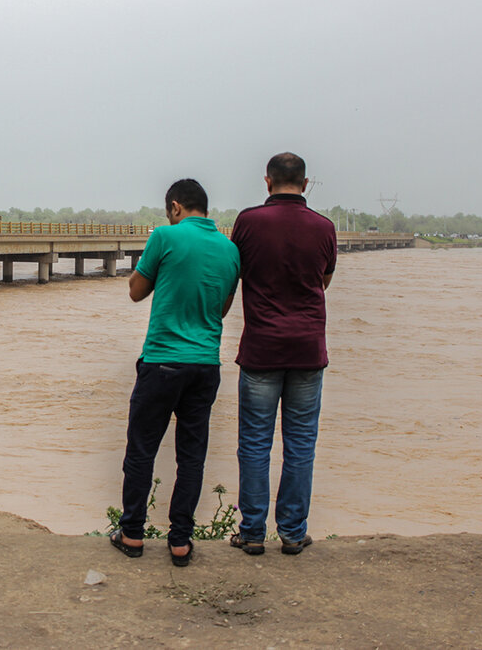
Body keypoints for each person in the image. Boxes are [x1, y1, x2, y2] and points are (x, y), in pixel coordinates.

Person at [111, 179, 239, 566]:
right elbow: (222, 309)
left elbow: (135, 291)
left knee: (141, 450)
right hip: (204, 364)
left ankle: (132, 534)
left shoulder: (164, 237)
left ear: (175, 206)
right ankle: (180, 541)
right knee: (192, 456)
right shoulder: (231, 249)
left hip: (162, 361)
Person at [229, 152, 337, 556]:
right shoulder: (324, 227)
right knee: (301, 443)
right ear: (305, 184)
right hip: (309, 349)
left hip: (261, 349)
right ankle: (292, 532)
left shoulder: (249, 222)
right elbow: (324, 280)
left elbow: (234, 269)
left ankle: (252, 533)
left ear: (267, 182)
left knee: (255, 443)